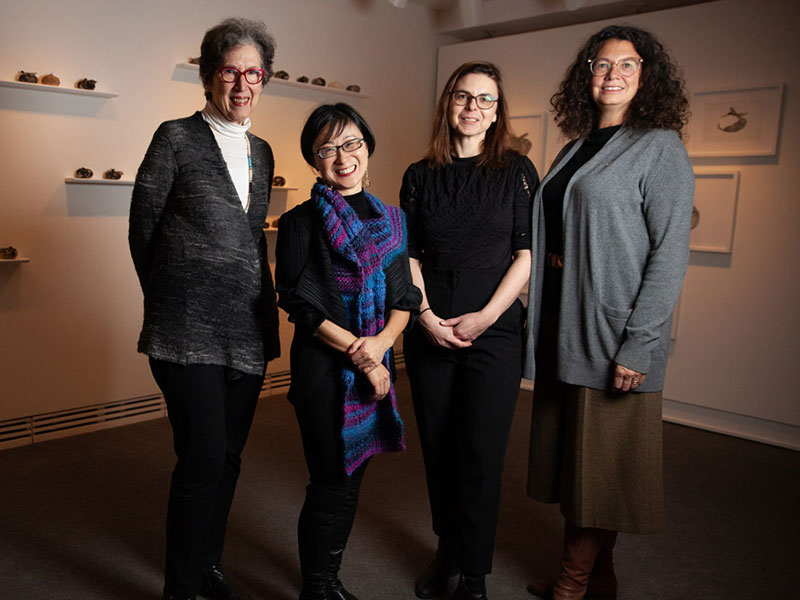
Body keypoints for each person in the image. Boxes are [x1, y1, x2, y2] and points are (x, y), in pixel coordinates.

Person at [522, 25, 694, 600]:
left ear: (647, 77)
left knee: (599, 470)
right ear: (586, 75)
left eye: (627, 64)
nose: (612, 74)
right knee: (583, 464)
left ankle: (572, 585)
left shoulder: (661, 147)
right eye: (601, 64)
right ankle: (601, 580)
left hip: (610, 332)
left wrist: (640, 343)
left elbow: (669, 254)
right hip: (561, 325)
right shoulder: (573, 148)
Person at [128, 18, 280, 600]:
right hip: (185, 330)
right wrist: (173, 297)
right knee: (201, 459)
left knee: (231, 458)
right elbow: (143, 232)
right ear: (209, 76)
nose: (242, 85)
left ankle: (208, 564)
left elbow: (247, 238)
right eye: (229, 71)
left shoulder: (261, 153)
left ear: (263, 80)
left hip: (246, 328)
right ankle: (182, 587)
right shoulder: (174, 138)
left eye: (253, 73)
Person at [400, 61, 538, 600]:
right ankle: (447, 551)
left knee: (481, 452)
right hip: (431, 324)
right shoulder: (419, 174)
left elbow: (525, 257)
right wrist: (427, 318)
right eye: (463, 97)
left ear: (497, 111)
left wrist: (486, 317)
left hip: (495, 329)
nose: (473, 108)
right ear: (448, 104)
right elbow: (408, 255)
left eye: (485, 100)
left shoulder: (518, 171)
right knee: (439, 447)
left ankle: (475, 573)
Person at [275, 103, 421, 600]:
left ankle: (325, 581)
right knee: (331, 481)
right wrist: (363, 356)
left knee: (352, 480)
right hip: (323, 372)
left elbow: (405, 299)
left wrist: (380, 350)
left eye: (352, 143)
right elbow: (298, 302)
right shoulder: (300, 222)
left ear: (367, 146)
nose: (343, 157)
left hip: (375, 365)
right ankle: (317, 588)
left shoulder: (394, 221)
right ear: (314, 161)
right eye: (328, 148)